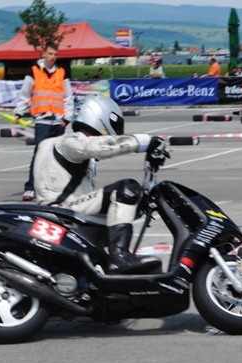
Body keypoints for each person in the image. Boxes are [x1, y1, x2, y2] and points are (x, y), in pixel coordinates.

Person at [33, 94, 168, 274]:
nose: (116, 132)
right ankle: (119, 257)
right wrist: (144, 142)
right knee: (126, 188)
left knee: (122, 201)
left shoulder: (49, 144)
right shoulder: (68, 142)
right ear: (100, 117)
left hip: (54, 212)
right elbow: (98, 146)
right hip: (63, 212)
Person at [14, 40, 75, 202]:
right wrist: (19, 112)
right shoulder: (34, 71)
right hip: (42, 121)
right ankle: (30, 187)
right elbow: (25, 94)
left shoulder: (61, 72)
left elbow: (68, 97)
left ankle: (58, 187)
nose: (52, 57)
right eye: (50, 54)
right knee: (39, 155)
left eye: (55, 54)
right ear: (44, 54)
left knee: (58, 156)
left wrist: (66, 119)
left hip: (58, 121)